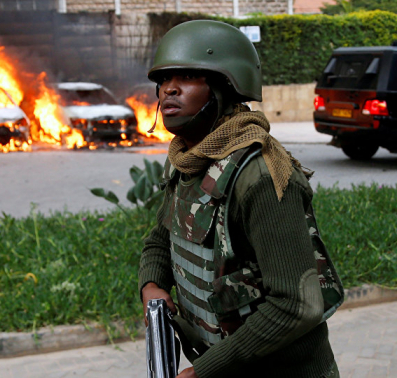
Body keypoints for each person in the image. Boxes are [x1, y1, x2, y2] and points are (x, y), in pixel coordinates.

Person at [138, 20, 344, 378]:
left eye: (187, 77)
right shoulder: (188, 159)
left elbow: (296, 305)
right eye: (163, 80)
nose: (169, 89)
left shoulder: (260, 175)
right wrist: (152, 285)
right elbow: (161, 239)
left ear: (225, 87)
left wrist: (204, 370)